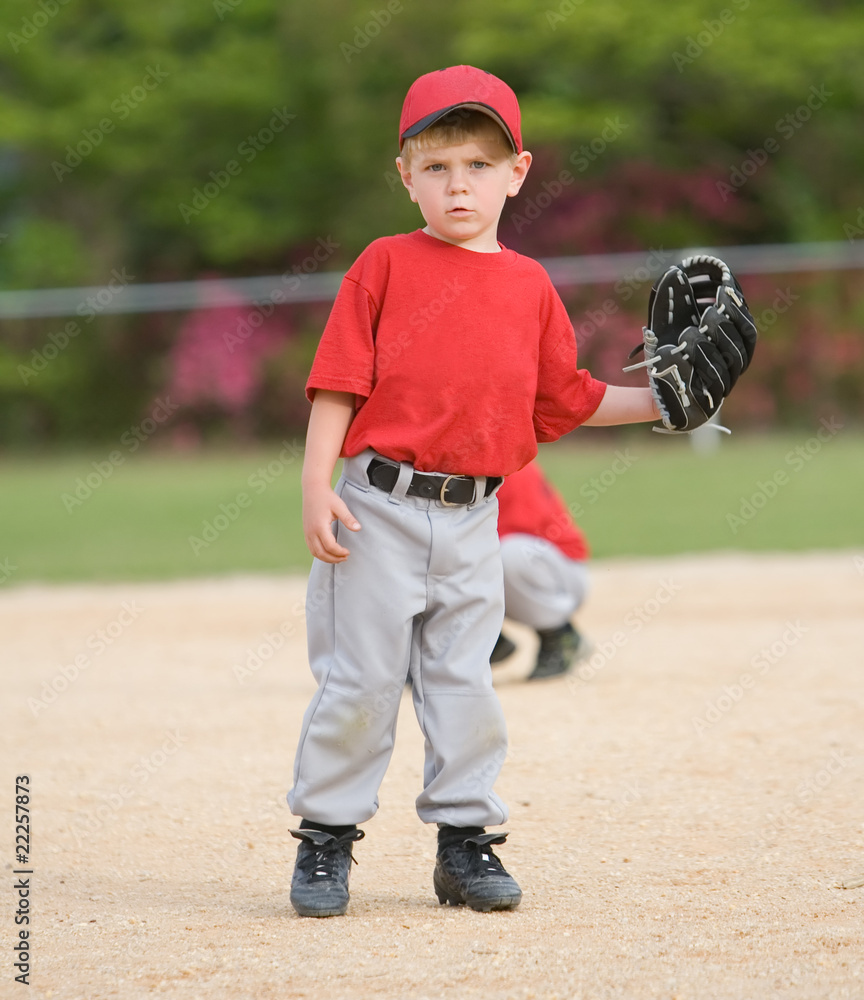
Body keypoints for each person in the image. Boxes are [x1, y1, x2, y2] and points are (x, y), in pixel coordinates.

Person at [287, 64, 663, 919]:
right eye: (437, 165)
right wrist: (316, 485)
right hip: (375, 509)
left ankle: (465, 845)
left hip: (474, 520)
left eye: (480, 165)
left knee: (465, 684)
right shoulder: (383, 265)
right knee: (361, 682)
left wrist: (665, 403)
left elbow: (567, 398)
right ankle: (326, 841)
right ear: (406, 176)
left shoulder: (528, 285)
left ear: (517, 172)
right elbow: (338, 384)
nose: (459, 184)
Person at [493, 459, 592, 681]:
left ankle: (560, 635)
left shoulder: (512, 463)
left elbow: (520, 529)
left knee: (507, 555)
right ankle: (482, 645)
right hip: (526, 564)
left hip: (558, 572)